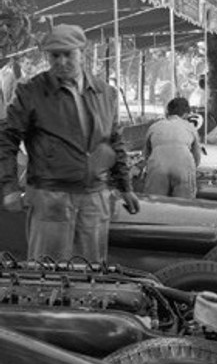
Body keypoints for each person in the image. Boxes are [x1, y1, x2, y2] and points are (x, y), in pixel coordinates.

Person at [0, 23, 140, 263]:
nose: (61, 62)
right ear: (47, 56)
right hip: (50, 198)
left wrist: (125, 186)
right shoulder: (31, 92)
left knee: (91, 274)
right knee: (46, 277)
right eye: (55, 55)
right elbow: (6, 140)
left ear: (82, 53)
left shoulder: (105, 93)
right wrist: (10, 187)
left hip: (94, 199)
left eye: (68, 54)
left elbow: (114, 141)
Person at [143, 96, 201, 198]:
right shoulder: (190, 127)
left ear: (167, 112)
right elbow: (197, 158)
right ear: (186, 114)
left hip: (158, 166)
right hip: (183, 166)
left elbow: (146, 155)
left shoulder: (154, 126)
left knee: (155, 204)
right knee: (183, 207)